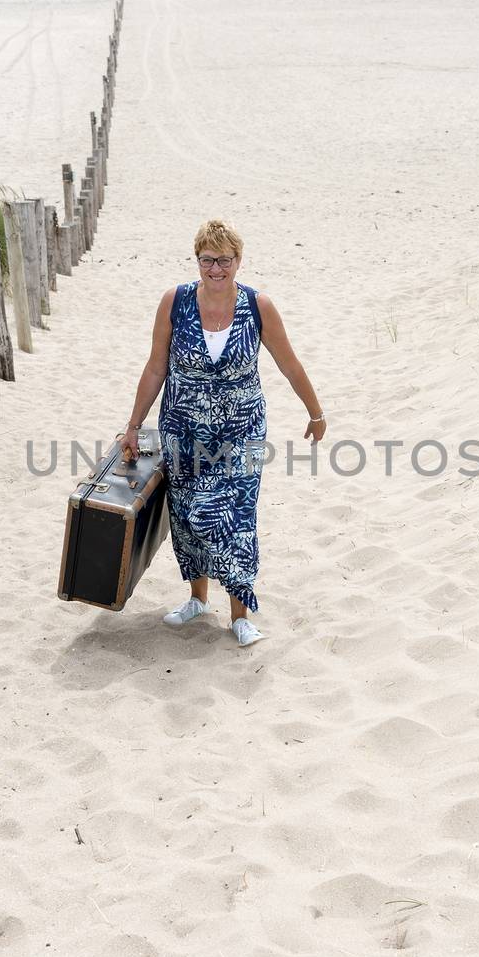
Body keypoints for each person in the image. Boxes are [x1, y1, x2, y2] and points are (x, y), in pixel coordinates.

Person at [120, 219, 325, 647]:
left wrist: (315, 411)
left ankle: (240, 615)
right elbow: (156, 366)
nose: (216, 268)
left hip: (243, 431)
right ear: (197, 260)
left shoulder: (258, 306)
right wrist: (133, 425)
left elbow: (289, 363)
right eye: (208, 260)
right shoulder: (174, 302)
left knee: (236, 519)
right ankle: (197, 598)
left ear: (238, 261)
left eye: (224, 260)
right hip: (182, 426)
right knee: (188, 514)